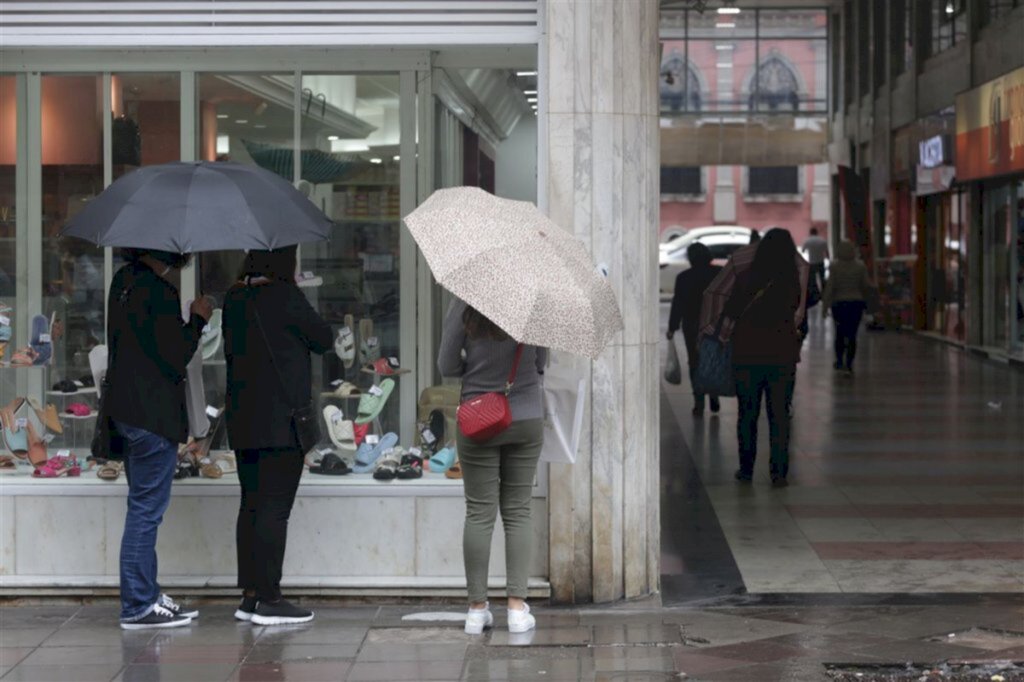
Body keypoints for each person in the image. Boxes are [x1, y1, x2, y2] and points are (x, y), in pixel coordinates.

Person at [223, 246, 332, 626]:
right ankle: (270, 598)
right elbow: (323, 338)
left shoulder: (235, 298)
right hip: (281, 421)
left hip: (243, 419)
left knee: (251, 504)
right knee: (274, 509)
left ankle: (250, 596)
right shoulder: (285, 296)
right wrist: (297, 292)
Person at [105, 248, 212, 629]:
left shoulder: (123, 282)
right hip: (152, 415)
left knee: (142, 507)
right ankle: (138, 604)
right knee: (146, 511)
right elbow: (176, 354)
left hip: (126, 410)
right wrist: (197, 320)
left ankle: (147, 594)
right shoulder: (159, 291)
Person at [438, 300, 546, 636]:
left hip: (478, 415)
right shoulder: (533, 303)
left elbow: (446, 364)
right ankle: (516, 609)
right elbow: (541, 363)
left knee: (479, 513)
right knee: (518, 511)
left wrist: (476, 369)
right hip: (526, 415)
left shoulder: (465, 302)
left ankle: (476, 610)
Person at [725, 229, 804, 488]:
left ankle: (746, 469)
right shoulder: (792, 281)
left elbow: (731, 310)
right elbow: (796, 307)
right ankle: (779, 473)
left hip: (747, 353)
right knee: (779, 414)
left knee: (747, 414)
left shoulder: (746, 276)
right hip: (782, 354)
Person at [667, 243, 723, 416]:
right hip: (714, 324)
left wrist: (672, 327)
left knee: (694, 361)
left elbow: (678, 303)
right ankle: (714, 394)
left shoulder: (684, 278)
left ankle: (698, 401)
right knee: (712, 359)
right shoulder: (719, 273)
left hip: (692, 325)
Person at [823, 241, 873, 375]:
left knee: (839, 333)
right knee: (852, 334)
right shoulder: (860, 266)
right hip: (856, 303)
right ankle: (849, 363)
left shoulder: (834, 266)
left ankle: (839, 360)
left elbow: (830, 287)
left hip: (839, 303)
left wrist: (825, 307)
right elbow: (866, 285)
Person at [803, 227, 830, 293]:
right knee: (822, 278)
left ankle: (815, 293)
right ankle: (824, 293)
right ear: (817, 232)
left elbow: (803, 250)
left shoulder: (808, 241)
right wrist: (829, 259)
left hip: (812, 263)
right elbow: (826, 252)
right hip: (820, 262)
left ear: (810, 233)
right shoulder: (822, 240)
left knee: (813, 280)